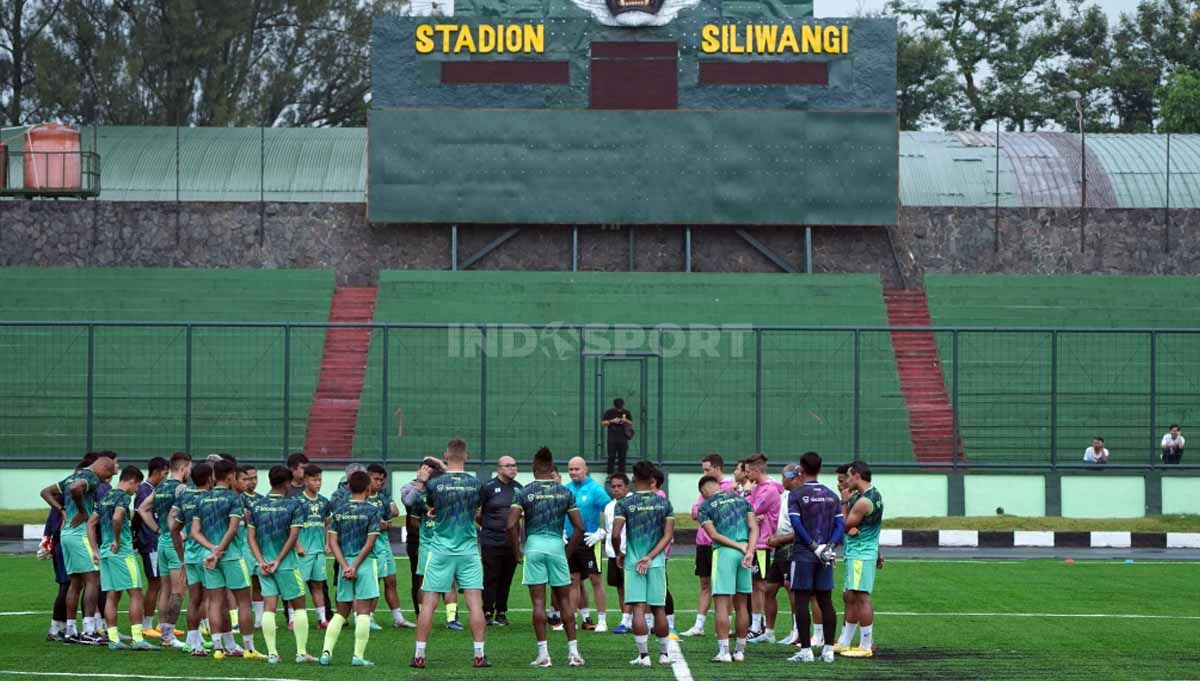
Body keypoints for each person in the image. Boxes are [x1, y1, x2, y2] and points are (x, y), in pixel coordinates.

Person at [411, 439, 489, 669]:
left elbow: (418, 504)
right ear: (467, 456)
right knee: (475, 603)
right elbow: (480, 515)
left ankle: (419, 655)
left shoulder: (436, 484)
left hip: (440, 549)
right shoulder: (476, 485)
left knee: (428, 604)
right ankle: (478, 655)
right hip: (468, 550)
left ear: (446, 455)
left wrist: (421, 483)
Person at [508, 447, 587, 667]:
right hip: (555, 547)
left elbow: (510, 524)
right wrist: (566, 553)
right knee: (564, 601)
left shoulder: (523, 491)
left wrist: (517, 552)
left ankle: (543, 655)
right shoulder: (565, 492)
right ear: (552, 469)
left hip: (533, 547)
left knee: (539, 603)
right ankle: (573, 653)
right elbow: (580, 528)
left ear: (534, 469)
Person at [40, 452, 117, 645]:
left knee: (75, 583)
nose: (108, 479)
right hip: (81, 534)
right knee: (93, 579)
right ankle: (89, 630)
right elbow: (76, 489)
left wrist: (62, 510)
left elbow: (45, 492)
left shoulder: (72, 476)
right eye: (109, 474)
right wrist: (83, 511)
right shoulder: (90, 477)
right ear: (103, 468)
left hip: (66, 534)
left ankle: (70, 631)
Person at [246, 466, 316, 664]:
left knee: (269, 607)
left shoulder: (256, 505)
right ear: (287, 483)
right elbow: (293, 536)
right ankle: (301, 653)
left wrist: (261, 561)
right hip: (286, 565)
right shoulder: (293, 505)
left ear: (269, 482)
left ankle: (272, 654)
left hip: (264, 565)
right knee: (299, 606)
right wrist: (278, 560)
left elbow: (251, 537)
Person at [192, 458, 260, 660]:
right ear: (231, 476)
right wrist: (219, 550)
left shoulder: (202, 498)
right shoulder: (233, 498)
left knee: (215, 602)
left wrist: (211, 549)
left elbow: (195, 532)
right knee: (243, 602)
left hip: (209, 557)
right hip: (231, 556)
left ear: (214, 476)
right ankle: (249, 649)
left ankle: (218, 648)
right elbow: (232, 528)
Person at [611, 460, 674, 667]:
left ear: (634, 479)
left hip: (633, 561)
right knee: (659, 609)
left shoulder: (624, 504)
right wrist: (652, 555)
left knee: (638, 608)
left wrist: (620, 552)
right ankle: (664, 655)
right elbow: (668, 535)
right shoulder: (664, 503)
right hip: (655, 562)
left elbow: (615, 533)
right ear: (652, 479)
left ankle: (644, 656)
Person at [91, 464, 159, 651]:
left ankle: (113, 639)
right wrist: (117, 539)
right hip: (121, 553)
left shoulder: (106, 497)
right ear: (131, 481)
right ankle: (137, 639)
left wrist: (94, 550)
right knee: (136, 593)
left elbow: (91, 523)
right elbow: (117, 517)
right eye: (137, 486)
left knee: (113, 595)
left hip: (105, 552)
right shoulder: (121, 497)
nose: (136, 490)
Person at [785, 452, 843, 663]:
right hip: (825, 555)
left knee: (801, 600)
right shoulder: (831, 495)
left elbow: (796, 524)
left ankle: (806, 650)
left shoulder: (796, 495)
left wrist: (813, 546)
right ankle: (828, 650)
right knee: (825, 600)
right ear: (820, 468)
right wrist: (829, 547)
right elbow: (840, 525)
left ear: (801, 469)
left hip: (803, 553)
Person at [319, 470, 380, 667]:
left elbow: (333, 541)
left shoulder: (339, 510)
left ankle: (326, 653)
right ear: (368, 488)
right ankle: (358, 656)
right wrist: (355, 566)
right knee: (362, 612)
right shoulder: (372, 511)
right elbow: (369, 544)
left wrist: (345, 565)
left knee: (340, 612)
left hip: (344, 566)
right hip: (364, 564)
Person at [695, 475, 758, 663]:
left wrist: (737, 546)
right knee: (741, 604)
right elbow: (754, 527)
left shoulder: (705, 507)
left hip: (724, 553)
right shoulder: (741, 500)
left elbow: (713, 535)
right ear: (717, 486)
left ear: (703, 491)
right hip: (745, 551)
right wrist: (749, 550)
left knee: (722, 603)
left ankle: (723, 652)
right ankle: (739, 651)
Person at [136, 452, 192, 650]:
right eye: (189, 468)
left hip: (162, 543)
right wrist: (182, 533)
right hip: (175, 543)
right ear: (184, 468)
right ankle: (168, 635)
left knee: (165, 589)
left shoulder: (161, 487)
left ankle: (164, 630)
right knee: (178, 590)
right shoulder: (181, 488)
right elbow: (183, 513)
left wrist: (158, 529)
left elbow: (143, 509)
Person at [399, 458, 460, 627]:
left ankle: (452, 618)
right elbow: (410, 506)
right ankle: (422, 615)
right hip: (421, 543)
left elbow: (457, 479)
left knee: (449, 580)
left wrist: (441, 464)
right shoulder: (411, 488)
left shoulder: (447, 491)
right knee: (421, 581)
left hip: (445, 543)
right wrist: (421, 482)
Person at [681, 453, 732, 638]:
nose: (704, 473)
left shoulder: (728, 488)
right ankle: (699, 625)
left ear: (718, 469)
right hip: (702, 541)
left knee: (724, 586)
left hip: (720, 543)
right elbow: (695, 513)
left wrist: (705, 508)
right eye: (703, 470)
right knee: (704, 584)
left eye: (707, 469)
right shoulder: (704, 488)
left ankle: (729, 624)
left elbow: (715, 512)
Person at [836, 460, 883, 658]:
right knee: (850, 596)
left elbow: (845, 525)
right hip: (860, 551)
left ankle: (865, 644)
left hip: (860, 554)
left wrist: (844, 502)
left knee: (861, 597)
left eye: (848, 476)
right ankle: (845, 641)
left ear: (856, 475)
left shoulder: (864, 501)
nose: (846, 480)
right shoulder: (869, 495)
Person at [170, 461, 213, 656]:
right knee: (212, 599)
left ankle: (192, 641)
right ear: (209, 478)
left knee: (195, 599)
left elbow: (174, 527)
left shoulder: (185, 496)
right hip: (207, 553)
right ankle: (222, 643)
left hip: (190, 554)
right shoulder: (210, 498)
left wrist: (181, 555)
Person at [564, 456, 611, 631]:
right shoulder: (566, 489)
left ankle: (602, 620)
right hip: (570, 540)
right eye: (570, 469)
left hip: (590, 540)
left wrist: (602, 532)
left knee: (595, 579)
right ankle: (573, 619)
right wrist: (562, 532)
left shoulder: (595, 489)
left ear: (585, 469)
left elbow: (611, 510)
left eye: (577, 469)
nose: (573, 472)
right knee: (573, 580)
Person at [366, 463, 415, 629]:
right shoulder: (361, 497)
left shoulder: (382, 495)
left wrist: (382, 521)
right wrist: (374, 522)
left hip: (384, 542)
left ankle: (398, 618)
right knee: (374, 581)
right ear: (367, 478)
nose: (379, 483)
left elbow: (394, 511)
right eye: (376, 479)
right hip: (369, 545)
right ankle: (368, 617)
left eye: (381, 480)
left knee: (391, 580)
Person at [762, 462, 804, 645]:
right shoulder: (785, 494)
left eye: (784, 477)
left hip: (791, 547)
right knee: (769, 589)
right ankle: (769, 631)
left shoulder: (801, 497)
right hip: (780, 548)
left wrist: (780, 539)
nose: (781, 480)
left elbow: (803, 529)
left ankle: (797, 631)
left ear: (794, 477)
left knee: (790, 588)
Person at [743, 453, 782, 640]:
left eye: (749, 471)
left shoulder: (768, 490)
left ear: (758, 470)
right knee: (755, 584)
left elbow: (748, 509)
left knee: (759, 585)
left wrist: (747, 495)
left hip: (762, 544)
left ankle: (758, 626)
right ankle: (756, 624)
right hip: (755, 542)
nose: (746, 474)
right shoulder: (760, 487)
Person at [479, 455, 522, 627]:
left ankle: (501, 611)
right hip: (491, 540)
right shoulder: (488, 488)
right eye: (508, 466)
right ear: (499, 468)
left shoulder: (519, 489)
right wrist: (490, 527)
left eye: (514, 465)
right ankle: (487, 610)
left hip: (510, 542)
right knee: (490, 576)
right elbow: (478, 514)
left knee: (507, 578)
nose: (513, 468)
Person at [132, 456, 169, 639]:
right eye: (165, 472)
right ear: (157, 471)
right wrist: (139, 539)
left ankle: (160, 624)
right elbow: (139, 516)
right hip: (151, 543)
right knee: (155, 583)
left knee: (161, 582)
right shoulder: (144, 490)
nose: (166, 476)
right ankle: (146, 624)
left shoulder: (153, 490)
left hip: (155, 542)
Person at [295, 464, 331, 630]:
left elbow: (326, 524)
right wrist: (297, 545)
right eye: (314, 479)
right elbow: (291, 526)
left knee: (318, 584)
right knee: (298, 586)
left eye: (320, 480)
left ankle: (322, 619)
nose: (318, 483)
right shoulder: (297, 501)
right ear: (305, 480)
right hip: (303, 551)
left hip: (318, 551)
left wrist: (327, 543)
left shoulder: (324, 502)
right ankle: (293, 619)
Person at [602, 472, 633, 633]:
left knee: (631, 587)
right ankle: (626, 620)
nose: (616, 489)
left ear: (626, 487)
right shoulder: (609, 506)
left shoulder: (633, 503)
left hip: (628, 552)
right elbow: (609, 530)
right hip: (613, 553)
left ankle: (629, 621)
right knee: (620, 587)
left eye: (619, 486)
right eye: (613, 486)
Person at [237, 464, 266, 630]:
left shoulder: (262, 499)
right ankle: (241, 618)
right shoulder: (238, 498)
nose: (252, 482)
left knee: (258, 583)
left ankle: (259, 620)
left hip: (258, 547)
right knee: (243, 586)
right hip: (242, 547)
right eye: (248, 478)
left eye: (254, 478)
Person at [602, 398, 634, 475]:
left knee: (622, 457)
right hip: (612, 438)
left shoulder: (626, 412)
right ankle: (610, 474)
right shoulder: (609, 412)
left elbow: (631, 423)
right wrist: (612, 421)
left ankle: (622, 474)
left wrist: (625, 420)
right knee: (611, 456)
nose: (620, 408)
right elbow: (603, 423)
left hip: (623, 437)